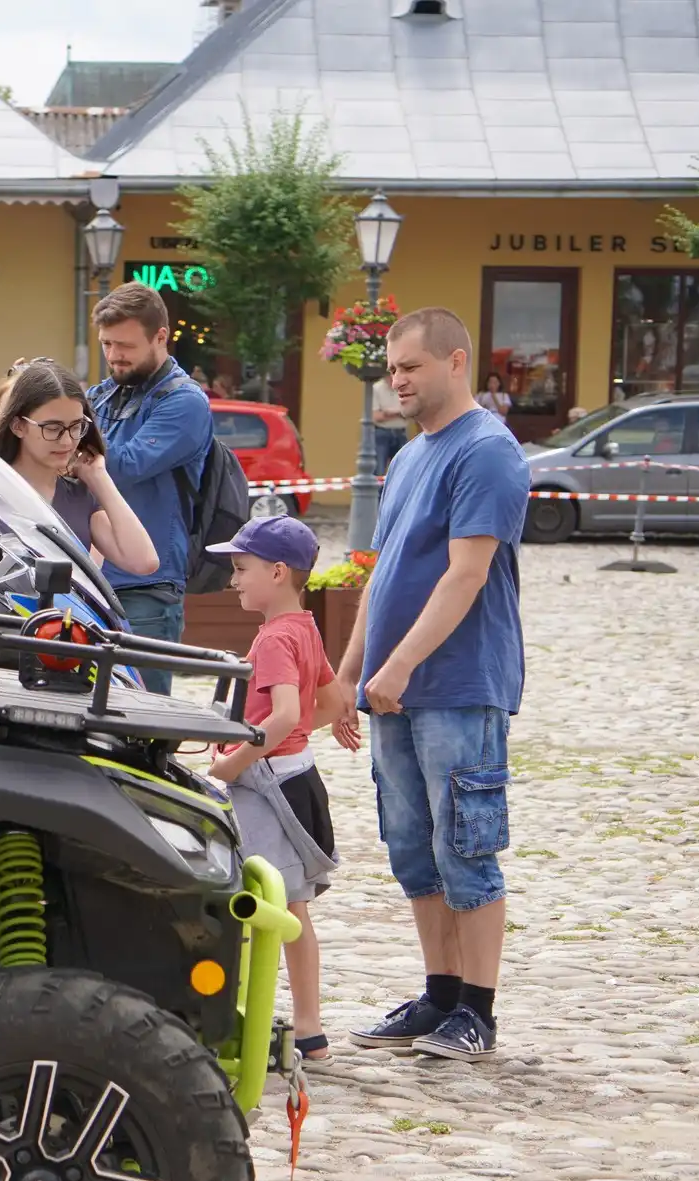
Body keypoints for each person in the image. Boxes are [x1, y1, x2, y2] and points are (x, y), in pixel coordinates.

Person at [336, 308, 528, 1062]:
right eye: (392, 368)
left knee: (467, 846)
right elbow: (381, 573)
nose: (399, 379)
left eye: (411, 366)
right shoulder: (412, 454)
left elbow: (467, 573)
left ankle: (477, 1010)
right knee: (412, 845)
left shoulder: (487, 452)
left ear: (456, 362)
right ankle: (439, 994)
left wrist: (403, 663)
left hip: (455, 681)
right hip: (393, 686)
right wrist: (350, 664)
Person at [205, 516, 350, 1062]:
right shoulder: (304, 627)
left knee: (254, 906)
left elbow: (288, 710)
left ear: (278, 571)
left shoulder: (273, 639)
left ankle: (247, 1021)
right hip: (296, 776)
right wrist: (290, 737)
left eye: (241, 569)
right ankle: (308, 1029)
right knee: (291, 908)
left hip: (266, 791)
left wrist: (232, 762)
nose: (234, 581)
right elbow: (334, 703)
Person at [87, 283, 215, 693]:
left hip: (146, 589)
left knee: (143, 722)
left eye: (124, 345)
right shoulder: (102, 395)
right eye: (106, 344)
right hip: (90, 579)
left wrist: (65, 443)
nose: (113, 356)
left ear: (161, 336)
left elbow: (122, 467)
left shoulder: (185, 402)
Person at [0, 359, 157, 577]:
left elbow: (144, 562)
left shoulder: (79, 495)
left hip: (65, 612)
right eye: (53, 428)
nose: (67, 441)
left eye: (76, 426)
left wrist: (100, 479)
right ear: (18, 426)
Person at [372, 375, 409, 473]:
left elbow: (410, 413)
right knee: (379, 470)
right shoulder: (376, 388)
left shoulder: (405, 387)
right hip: (382, 433)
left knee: (402, 471)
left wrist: (388, 413)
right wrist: (399, 413)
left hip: (401, 433)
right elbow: (376, 417)